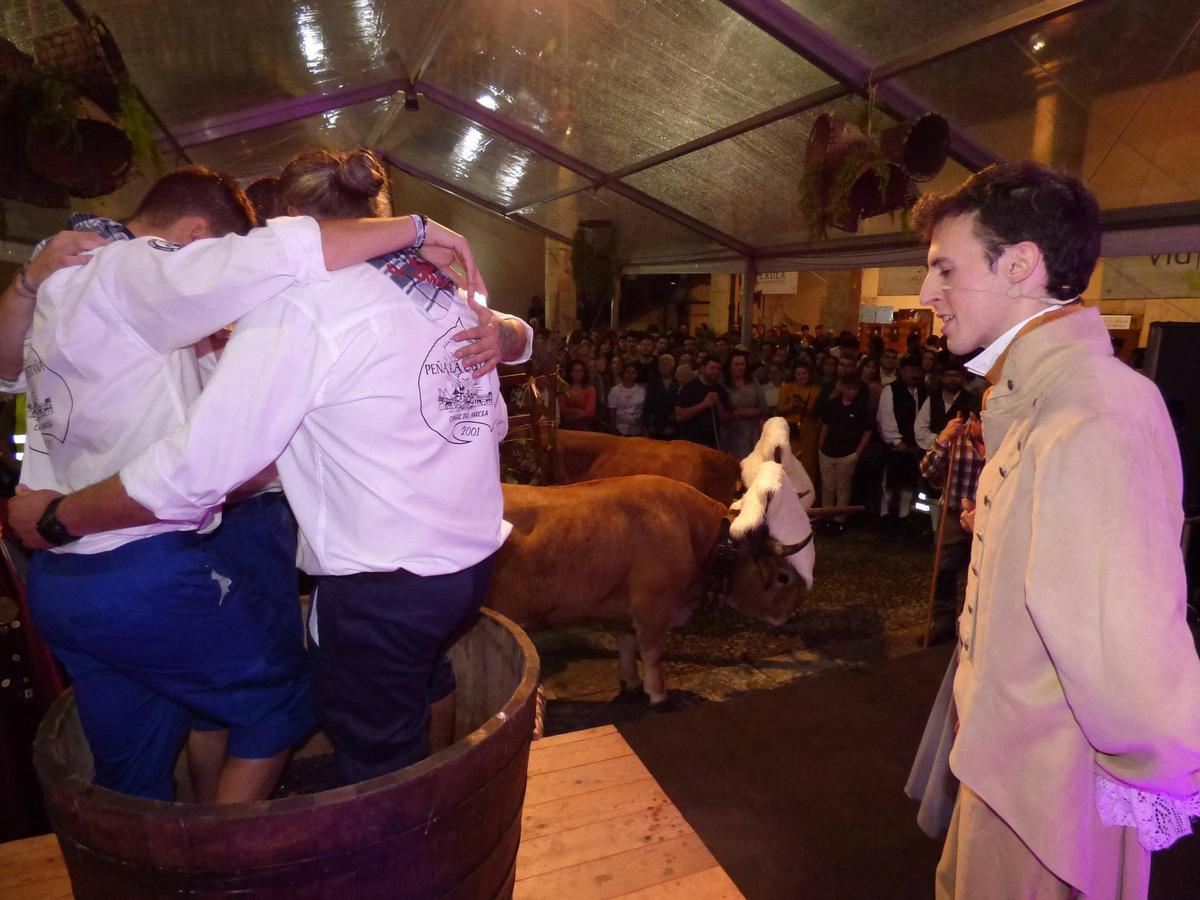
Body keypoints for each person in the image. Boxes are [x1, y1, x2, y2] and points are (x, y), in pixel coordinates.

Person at [10, 148, 532, 789]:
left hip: (379, 582)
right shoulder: (446, 293)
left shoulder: (298, 306)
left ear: (288, 222)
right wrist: (512, 334)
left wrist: (61, 517)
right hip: (467, 564)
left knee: (371, 763)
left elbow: (198, 469)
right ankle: (451, 812)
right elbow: (493, 385)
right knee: (419, 686)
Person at [910, 161, 1200, 898]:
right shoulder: (1045, 400)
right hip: (1011, 777)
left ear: (1020, 265)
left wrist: (1164, 769)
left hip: (1050, 806)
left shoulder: (1094, 414)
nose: (925, 294)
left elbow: (1124, 649)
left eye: (945, 267)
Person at [877, 354, 927, 532]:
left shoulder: (924, 391)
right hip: (895, 446)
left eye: (917, 371)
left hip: (915, 445)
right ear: (902, 372)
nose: (914, 374)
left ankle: (903, 516)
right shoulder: (890, 390)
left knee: (909, 482)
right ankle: (885, 515)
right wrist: (896, 440)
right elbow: (885, 416)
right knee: (889, 483)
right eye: (910, 370)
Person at [817, 374, 871, 534]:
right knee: (827, 487)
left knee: (843, 489)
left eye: (855, 389)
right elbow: (825, 425)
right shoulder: (832, 405)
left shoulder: (861, 408)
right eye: (849, 388)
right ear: (842, 388)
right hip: (828, 452)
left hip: (847, 454)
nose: (852, 392)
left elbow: (867, 431)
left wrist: (857, 453)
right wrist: (820, 447)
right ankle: (826, 518)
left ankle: (839, 520)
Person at [915, 358, 980, 450]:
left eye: (956, 375)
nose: (952, 379)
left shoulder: (972, 400)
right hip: (933, 450)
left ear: (962, 379)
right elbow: (920, 428)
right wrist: (940, 440)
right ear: (942, 378)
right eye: (948, 375)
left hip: (960, 451)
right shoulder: (932, 399)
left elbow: (972, 431)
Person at [777, 359, 822, 482]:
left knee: (809, 467)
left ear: (810, 374)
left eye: (804, 373)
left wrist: (806, 408)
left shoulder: (817, 389)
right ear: (794, 375)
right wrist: (790, 406)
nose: (801, 377)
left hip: (810, 432)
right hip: (791, 433)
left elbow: (820, 413)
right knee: (790, 465)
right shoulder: (787, 388)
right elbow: (779, 409)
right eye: (798, 374)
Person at [675, 356, 730, 450]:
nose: (716, 372)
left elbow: (726, 420)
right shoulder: (689, 388)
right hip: (690, 443)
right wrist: (704, 404)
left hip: (713, 443)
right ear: (702, 368)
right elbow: (680, 416)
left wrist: (718, 403)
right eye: (712, 368)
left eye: (718, 369)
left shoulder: (720, 390)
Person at [722, 350, 767, 461]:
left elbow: (764, 407)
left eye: (743, 364)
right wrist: (734, 413)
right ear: (730, 366)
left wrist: (754, 411)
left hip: (753, 430)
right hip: (732, 431)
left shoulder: (753, 382)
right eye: (737, 364)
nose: (740, 367)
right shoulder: (723, 385)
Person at [644, 353, 679, 439]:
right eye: (661, 364)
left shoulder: (678, 383)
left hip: (672, 427)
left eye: (666, 364)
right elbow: (647, 404)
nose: (662, 367)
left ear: (672, 367)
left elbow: (680, 405)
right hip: (654, 426)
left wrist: (672, 426)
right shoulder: (653, 383)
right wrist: (649, 425)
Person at [607, 363, 646, 436]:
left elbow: (644, 410)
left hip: (638, 430)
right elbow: (611, 413)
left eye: (633, 372)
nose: (630, 375)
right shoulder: (615, 391)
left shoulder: (642, 390)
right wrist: (614, 429)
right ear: (623, 373)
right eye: (628, 372)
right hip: (620, 430)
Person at [559, 359, 596, 430]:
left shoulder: (591, 389)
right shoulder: (564, 388)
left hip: (585, 428)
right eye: (575, 371)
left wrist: (570, 415)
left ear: (584, 373)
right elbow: (562, 410)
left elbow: (589, 412)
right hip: (566, 427)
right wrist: (582, 411)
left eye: (580, 371)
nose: (578, 373)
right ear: (570, 372)